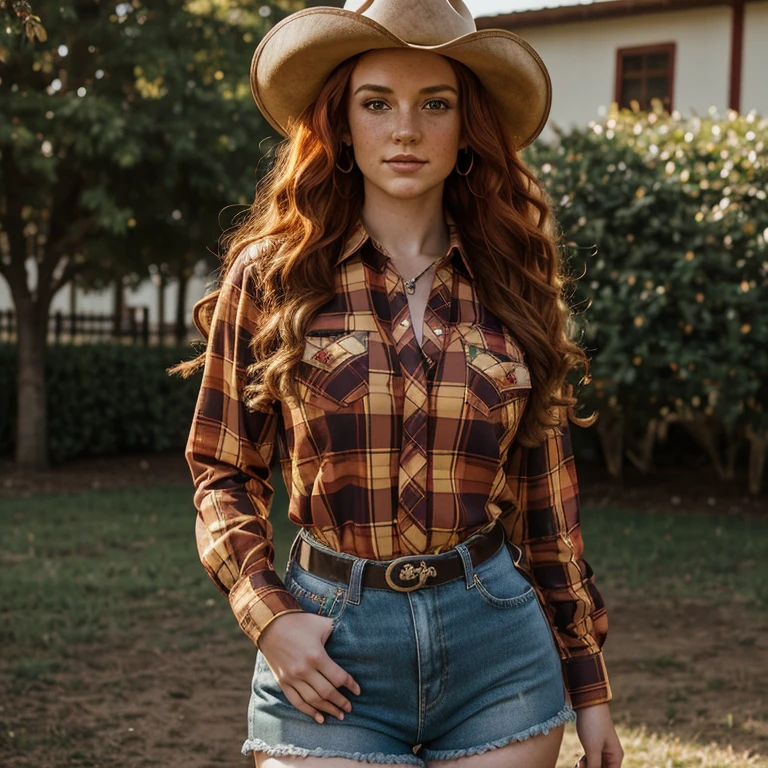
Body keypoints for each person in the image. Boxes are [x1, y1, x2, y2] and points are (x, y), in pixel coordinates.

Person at [172, 1, 624, 766]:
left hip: (499, 650)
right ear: (341, 124)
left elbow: (546, 502)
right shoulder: (273, 276)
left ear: (467, 126)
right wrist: (269, 616)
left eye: (434, 104)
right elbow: (222, 471)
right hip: (329, 645)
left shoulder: (513, 283)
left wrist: (589, 685)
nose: (405, 129)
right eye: (376, 103)